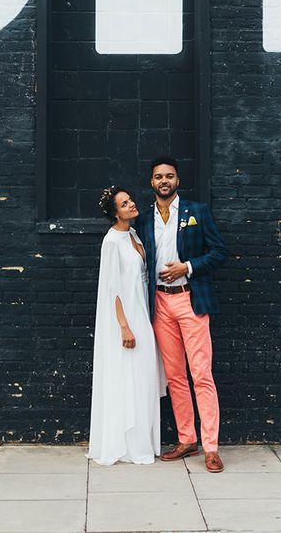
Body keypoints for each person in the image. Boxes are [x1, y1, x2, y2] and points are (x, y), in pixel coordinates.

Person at [134, 156, 229, 473]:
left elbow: (219, 252)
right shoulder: (144, 219)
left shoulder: (196, 212)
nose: (164, 180)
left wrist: (187, 267)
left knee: (201, 374)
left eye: (170, 176)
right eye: (159, 176)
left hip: (191, 301)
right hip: (160, 303)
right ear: (152, 182)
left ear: (177, 181)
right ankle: (187, 439)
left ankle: (211, 447)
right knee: (175, 377)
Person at [87, 186, 162, 465]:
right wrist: (124, 326)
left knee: (143, 377)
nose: (131, 205)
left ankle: (142, 440)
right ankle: (127, 444)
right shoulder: (112, 242)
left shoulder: (132, 234)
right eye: (124, 203)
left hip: (142, 311)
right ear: (114, 212)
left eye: (130, 200)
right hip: (127, 316)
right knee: (128, 376)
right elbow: (113, 289)